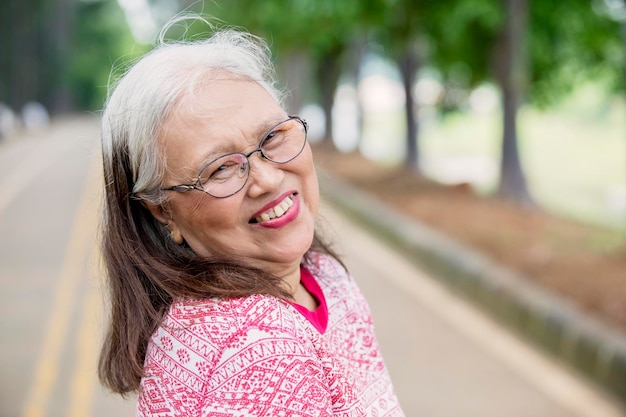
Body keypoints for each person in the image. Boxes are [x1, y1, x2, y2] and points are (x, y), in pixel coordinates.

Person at [98, 20, 404, 416]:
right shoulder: (258, 355)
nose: (268, 177)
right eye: (221, 168)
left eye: (273, 137)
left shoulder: (323, 277)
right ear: (162, 211)